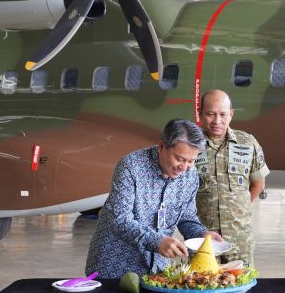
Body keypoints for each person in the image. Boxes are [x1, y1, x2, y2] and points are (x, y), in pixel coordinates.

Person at [85, 119, 222, 279]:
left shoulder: (190, 175)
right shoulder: (131, 167)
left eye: (191, 161)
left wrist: (202, 234)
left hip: (157, 270)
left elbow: (186, 216)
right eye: (179, 159)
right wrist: (157, 242)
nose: (184, 167)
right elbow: (120, 219)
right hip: (114, 268)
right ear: (161, 146)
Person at [195, 90, 270, 266]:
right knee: (203, 281)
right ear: (200, 114)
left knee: (241, 282)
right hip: (203, 238)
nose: (217, 121)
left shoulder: (247, 142)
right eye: (210, 114)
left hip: (240, 240)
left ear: (231, 114)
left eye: (223, 114)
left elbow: (258, 184)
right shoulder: (191, 144)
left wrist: (237, 211)